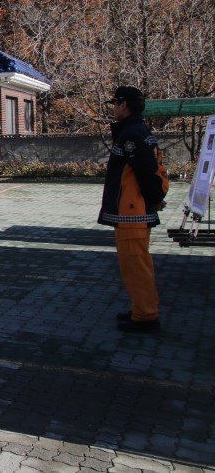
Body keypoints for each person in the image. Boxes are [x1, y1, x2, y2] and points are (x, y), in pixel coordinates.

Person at [99, 86, 169, 333]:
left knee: (135, 266)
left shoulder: (132, 134)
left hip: (132, 212)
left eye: (115, 103)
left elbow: (146, 173)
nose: (114, 107)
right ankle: (141, 309)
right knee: (136, 265)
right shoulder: (136, 131)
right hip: (133, 211)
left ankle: (146, 316)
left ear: (124, 104)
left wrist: (155, 197)